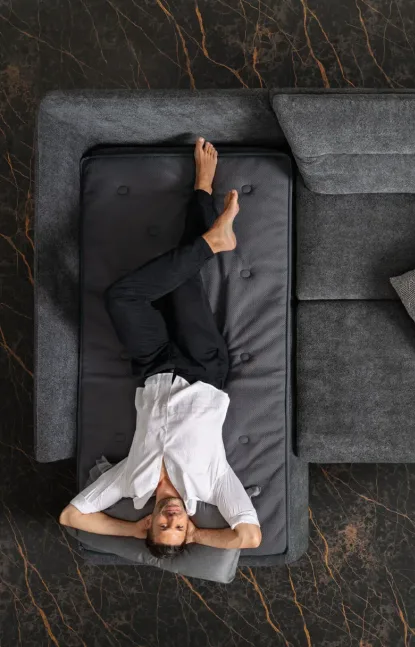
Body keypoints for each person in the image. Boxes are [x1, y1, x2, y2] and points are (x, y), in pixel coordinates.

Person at [59, 138, 261, 557]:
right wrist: (197, 537)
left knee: (121, 298)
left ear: (148, 523)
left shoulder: (128, 483)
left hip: (152, 366)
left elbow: (72, 517)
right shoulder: (212, 484)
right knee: (184, 285)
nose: (171, 519)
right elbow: (248, 537)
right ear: (187, 525)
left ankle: (211, 238)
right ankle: (203, 189)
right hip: (204, 369)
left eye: (161, 527)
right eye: (179, 527)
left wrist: (130, 532)